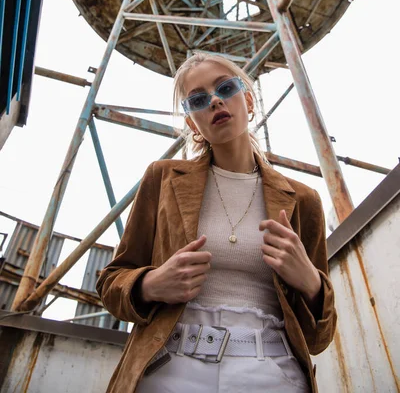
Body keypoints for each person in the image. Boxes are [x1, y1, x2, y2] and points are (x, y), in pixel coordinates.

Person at [96, 52, 337, 393]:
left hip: (271, 370)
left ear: (248, 100)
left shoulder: (302, 199)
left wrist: (311, 283)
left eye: (225, 88)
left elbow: (318, 338)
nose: (214, 101)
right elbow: (111, 285)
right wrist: (150, 284)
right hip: (169, 364)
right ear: (193, 123)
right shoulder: (162, 179)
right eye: (197, 99)